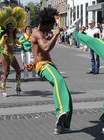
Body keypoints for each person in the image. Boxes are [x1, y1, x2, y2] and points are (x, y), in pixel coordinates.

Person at [30, 7, 73, 135]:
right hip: (43, 66)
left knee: (65, 93)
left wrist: (51, 36)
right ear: (44, 24)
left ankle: (63, 126)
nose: (51, 28)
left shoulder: (41, 33)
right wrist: (56, 33)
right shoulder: (37, 33)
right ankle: (61, 112)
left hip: (49, 64)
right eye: (50, 26)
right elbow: (46, 48)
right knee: (58, 80)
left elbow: (42, 49)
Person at [0, 6, 28, 97]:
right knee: (6, 72)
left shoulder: (14, 36)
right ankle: (3, 89)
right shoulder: (4, 36)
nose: (11, 29)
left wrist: (27, 38)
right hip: (4, 55)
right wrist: (3, 40)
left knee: (19, 70)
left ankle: (18, 87)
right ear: (7, 28)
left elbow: (19, 42)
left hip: (11, 55)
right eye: (9, 27)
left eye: (12, 27)